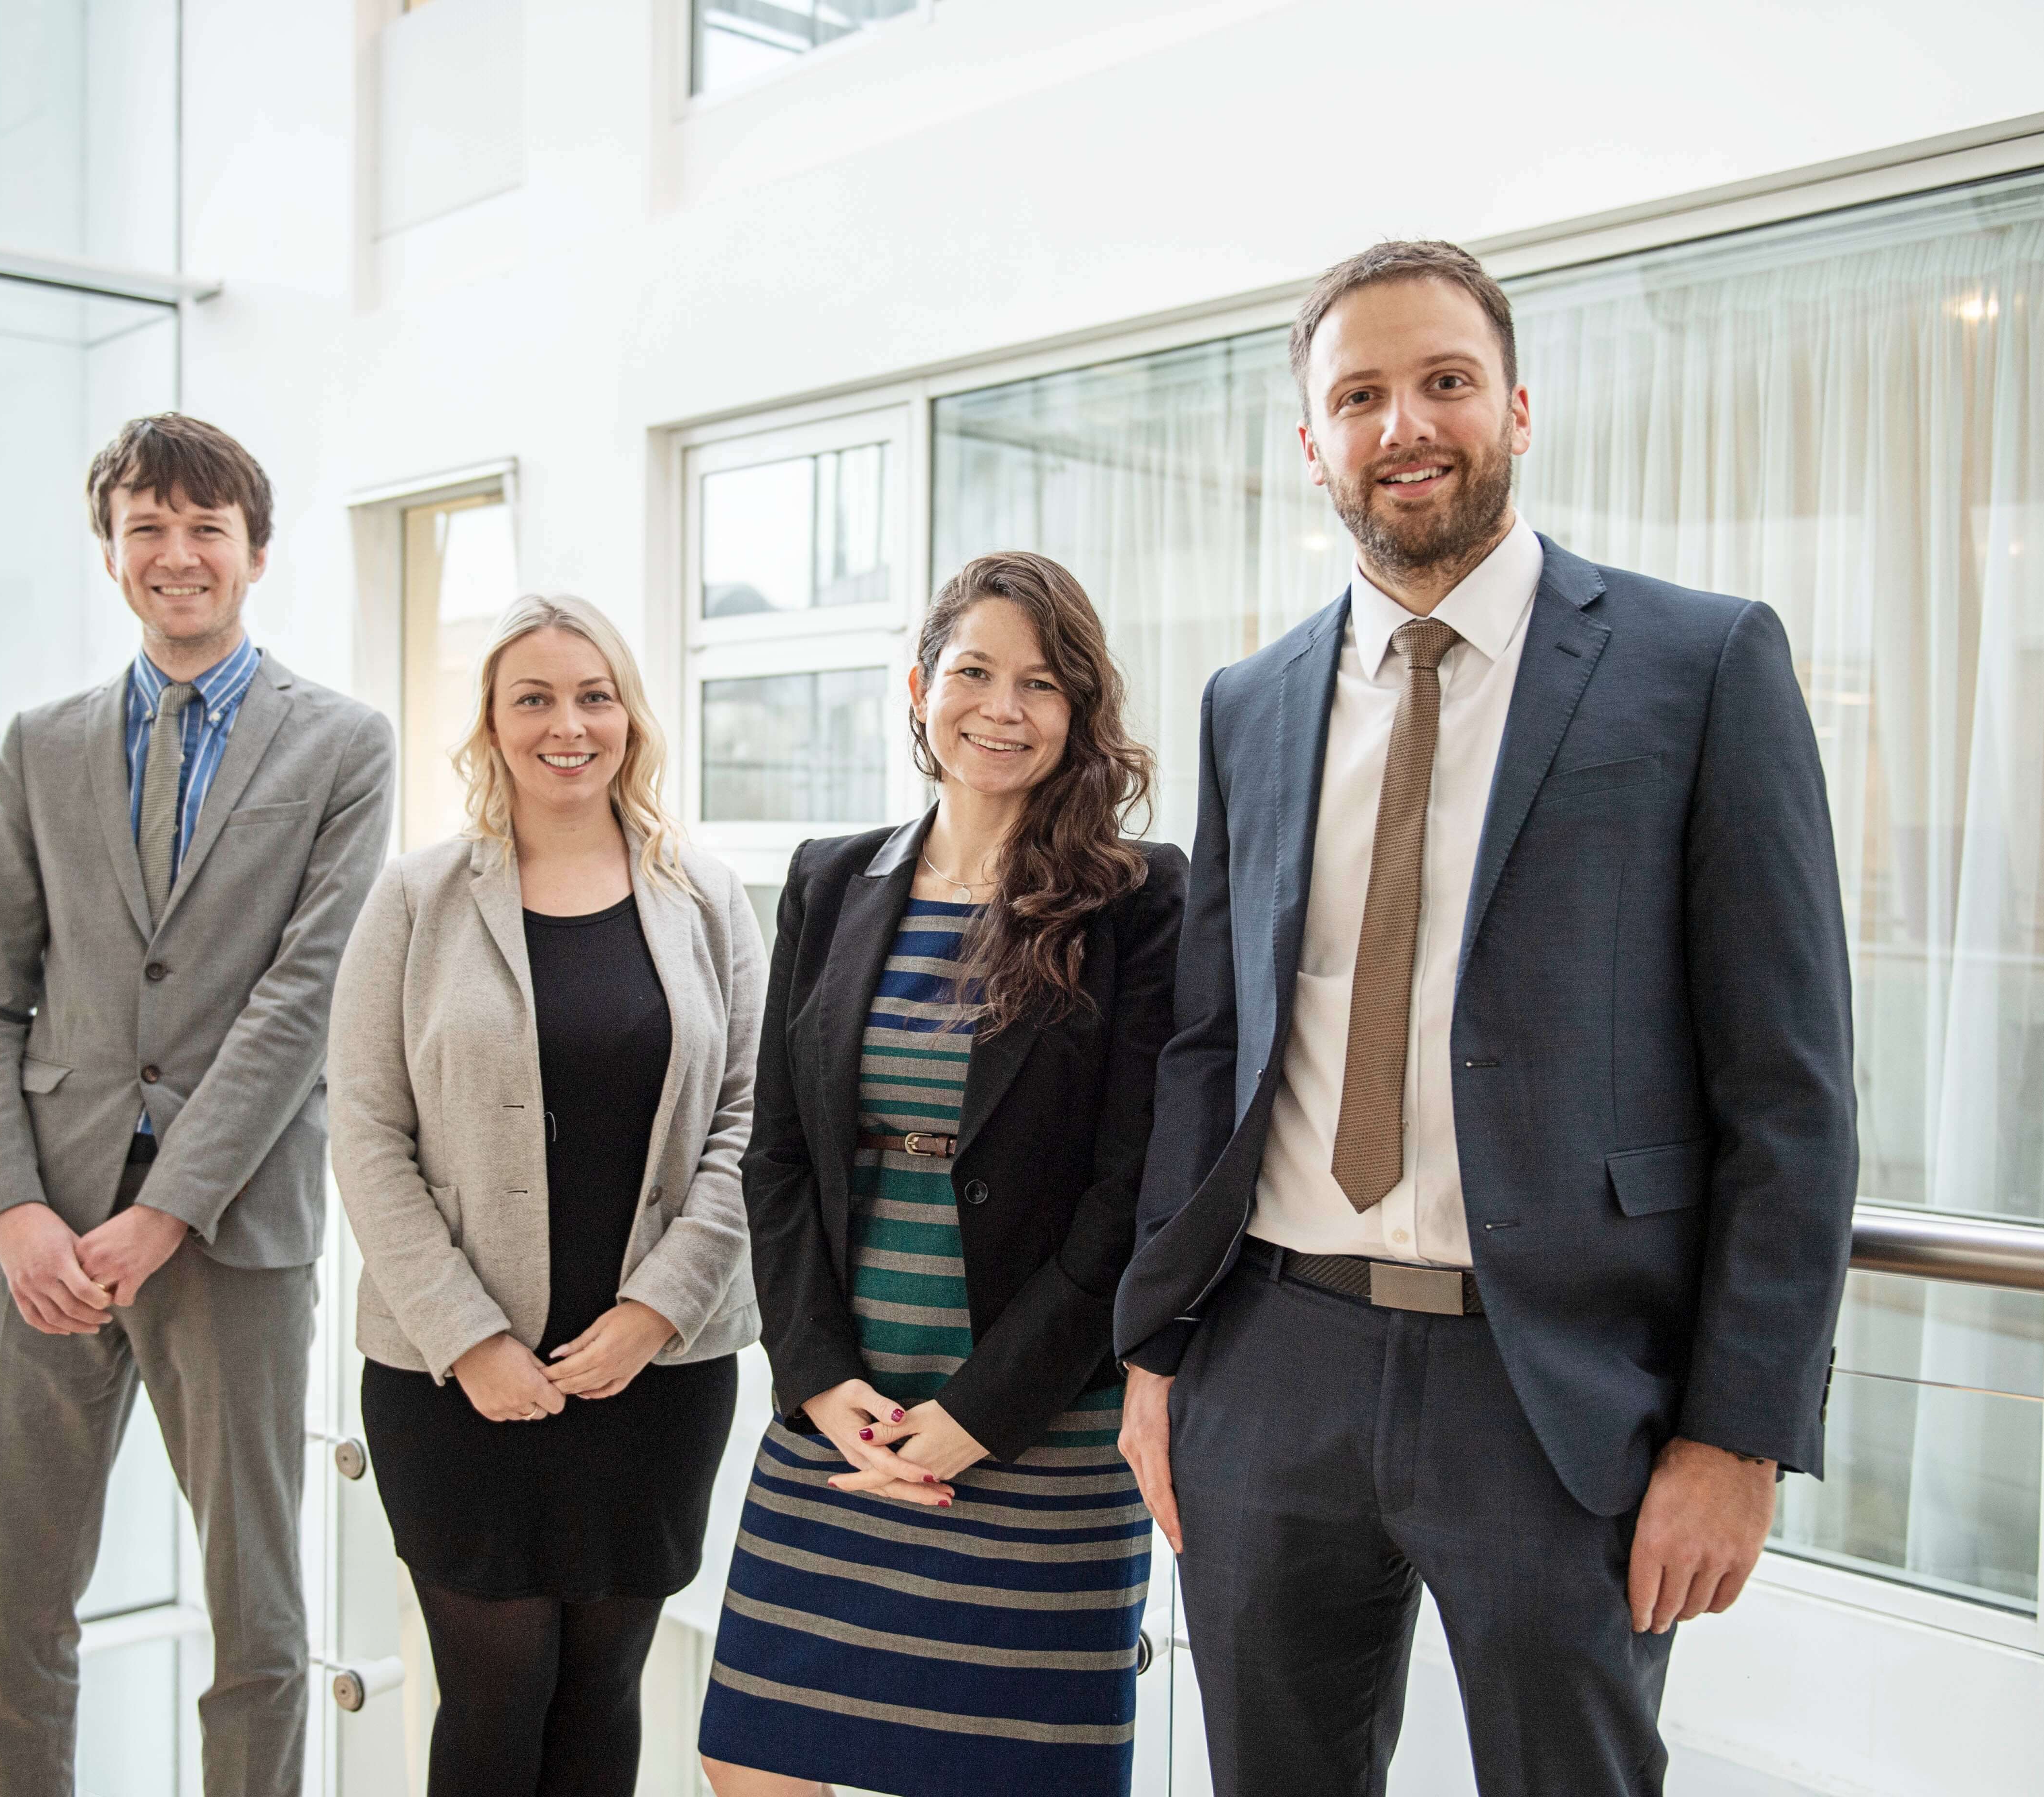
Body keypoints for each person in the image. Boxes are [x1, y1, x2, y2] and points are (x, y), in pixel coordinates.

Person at [1113, 240, 1858, 1796]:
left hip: (1561, 1396)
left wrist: (1739, 1437)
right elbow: (1210, 1049)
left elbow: (1789, 1095)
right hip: (1272, 1358)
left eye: (1444, 381)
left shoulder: (1702, 663)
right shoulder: (1250, 703)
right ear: (1309, 442)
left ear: (1515, 405)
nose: (1406, 426)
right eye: (1361, 395)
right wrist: (1160, 1357)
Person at [0, 413, 396, 1797]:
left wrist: (165, 1212)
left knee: (255, 1616)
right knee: (19, 1614)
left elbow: (303, 1001)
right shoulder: (40, 745)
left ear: (256, 553)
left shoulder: (343, 745)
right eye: (148, 527)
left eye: (207, 528)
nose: (177, 554)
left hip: (233, 1234)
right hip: (44, 1238)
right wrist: (13, 1210)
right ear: (112, 553)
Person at [700, 552, 1186, 1797]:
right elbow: (782, 1156)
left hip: (1040, 1426)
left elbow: (1131, 1198)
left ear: (1079, 713)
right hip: (845, 1409)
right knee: (749, 1760)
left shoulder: (1137, 899)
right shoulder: (828, 877)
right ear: (919, 687)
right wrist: (814, 1378)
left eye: (1041, 682)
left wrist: (978, 1416)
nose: (1001, 708)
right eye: (973, 671)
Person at [327, 593, 762, 1797]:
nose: (567, 724)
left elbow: (749, 1123)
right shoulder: (415, 897)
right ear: (491, 723)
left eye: (594, 694)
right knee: (493, 1692)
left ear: (630, 714)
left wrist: (659, 1311)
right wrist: (468, 1339)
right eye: (534, 697)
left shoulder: (709, 897)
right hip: (453, 1378)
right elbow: (365, 1129)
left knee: (604, 1690)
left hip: (655, 1379)